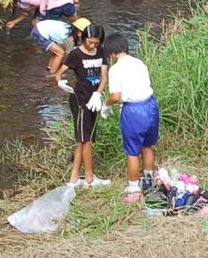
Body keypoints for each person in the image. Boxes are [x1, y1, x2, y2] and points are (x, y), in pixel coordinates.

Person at [55, 20, 109, 188]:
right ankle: (89, 178)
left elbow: (104, 76)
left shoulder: (101, 51)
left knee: (85, 139)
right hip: (79, 100)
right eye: (90, 41)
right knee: (85, 140)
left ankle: (73, 178)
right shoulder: (76, 54)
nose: (92, 45)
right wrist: (60, 83)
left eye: (96, 42)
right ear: (84, 37)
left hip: (93, 100)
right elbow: (59, 72)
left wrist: (98, 93)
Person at [104, 32, 160, 193]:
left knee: (132, 150)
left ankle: (134, 185)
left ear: (112, 53)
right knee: (147, 144)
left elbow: (116, 96)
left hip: (133, 110)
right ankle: (148, 177)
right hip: (150, 105)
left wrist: (106, 105)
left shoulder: (115, 69)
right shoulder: (139, 63)